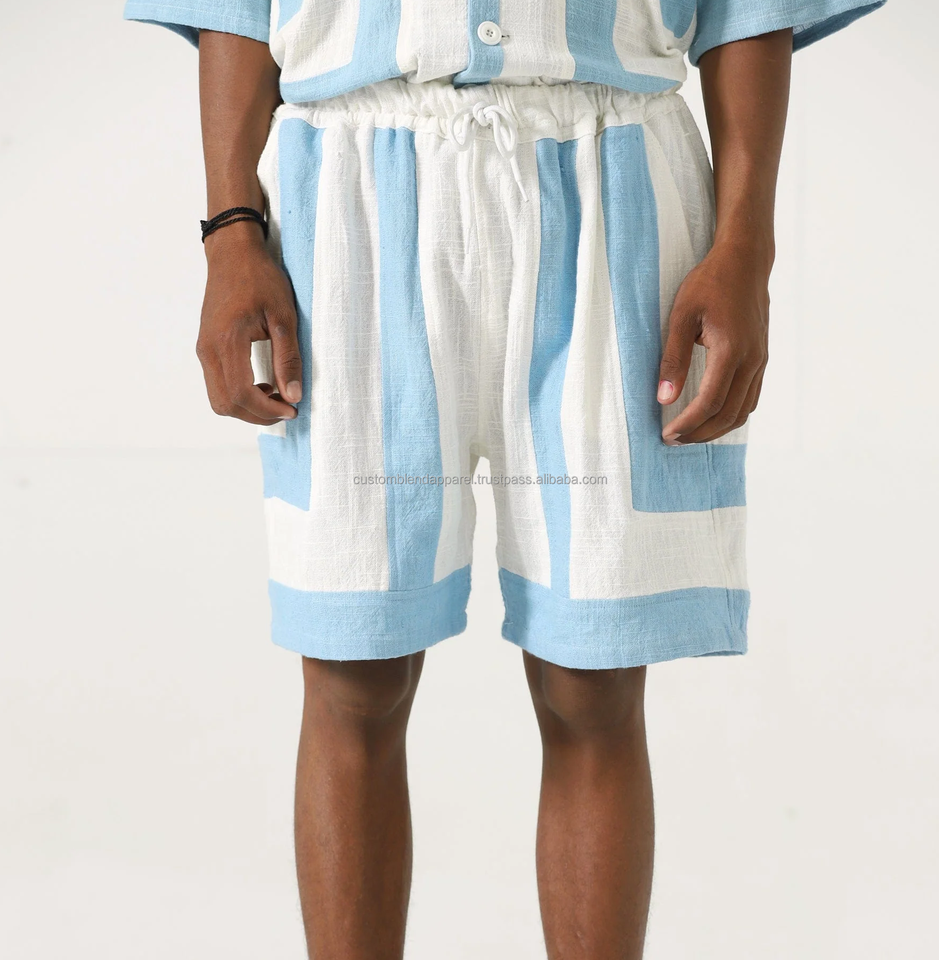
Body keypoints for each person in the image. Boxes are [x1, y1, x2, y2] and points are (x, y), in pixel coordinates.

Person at [123, 2, 886, 957]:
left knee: (593, 678)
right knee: (353, 670)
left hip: (615, 188)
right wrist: (231, 233)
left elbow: (747, 10)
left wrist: (745, 248)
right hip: (352, 200)